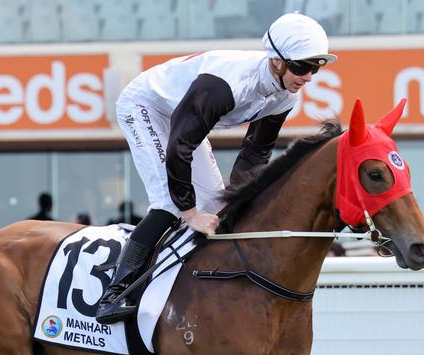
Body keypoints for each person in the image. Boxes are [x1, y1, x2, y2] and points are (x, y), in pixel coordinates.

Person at [95, 12, 337, 324]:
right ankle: (115, 292)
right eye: (302, 66)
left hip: (183, 120)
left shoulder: (285, 96)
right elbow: (178, 148)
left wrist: (238, 205)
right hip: (147, 106)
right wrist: (190, 212)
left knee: (217, 208)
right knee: (173, 204)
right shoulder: (225, 85)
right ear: (276, 61)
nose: (308, 76)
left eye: (315, 68)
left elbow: (255, 154)